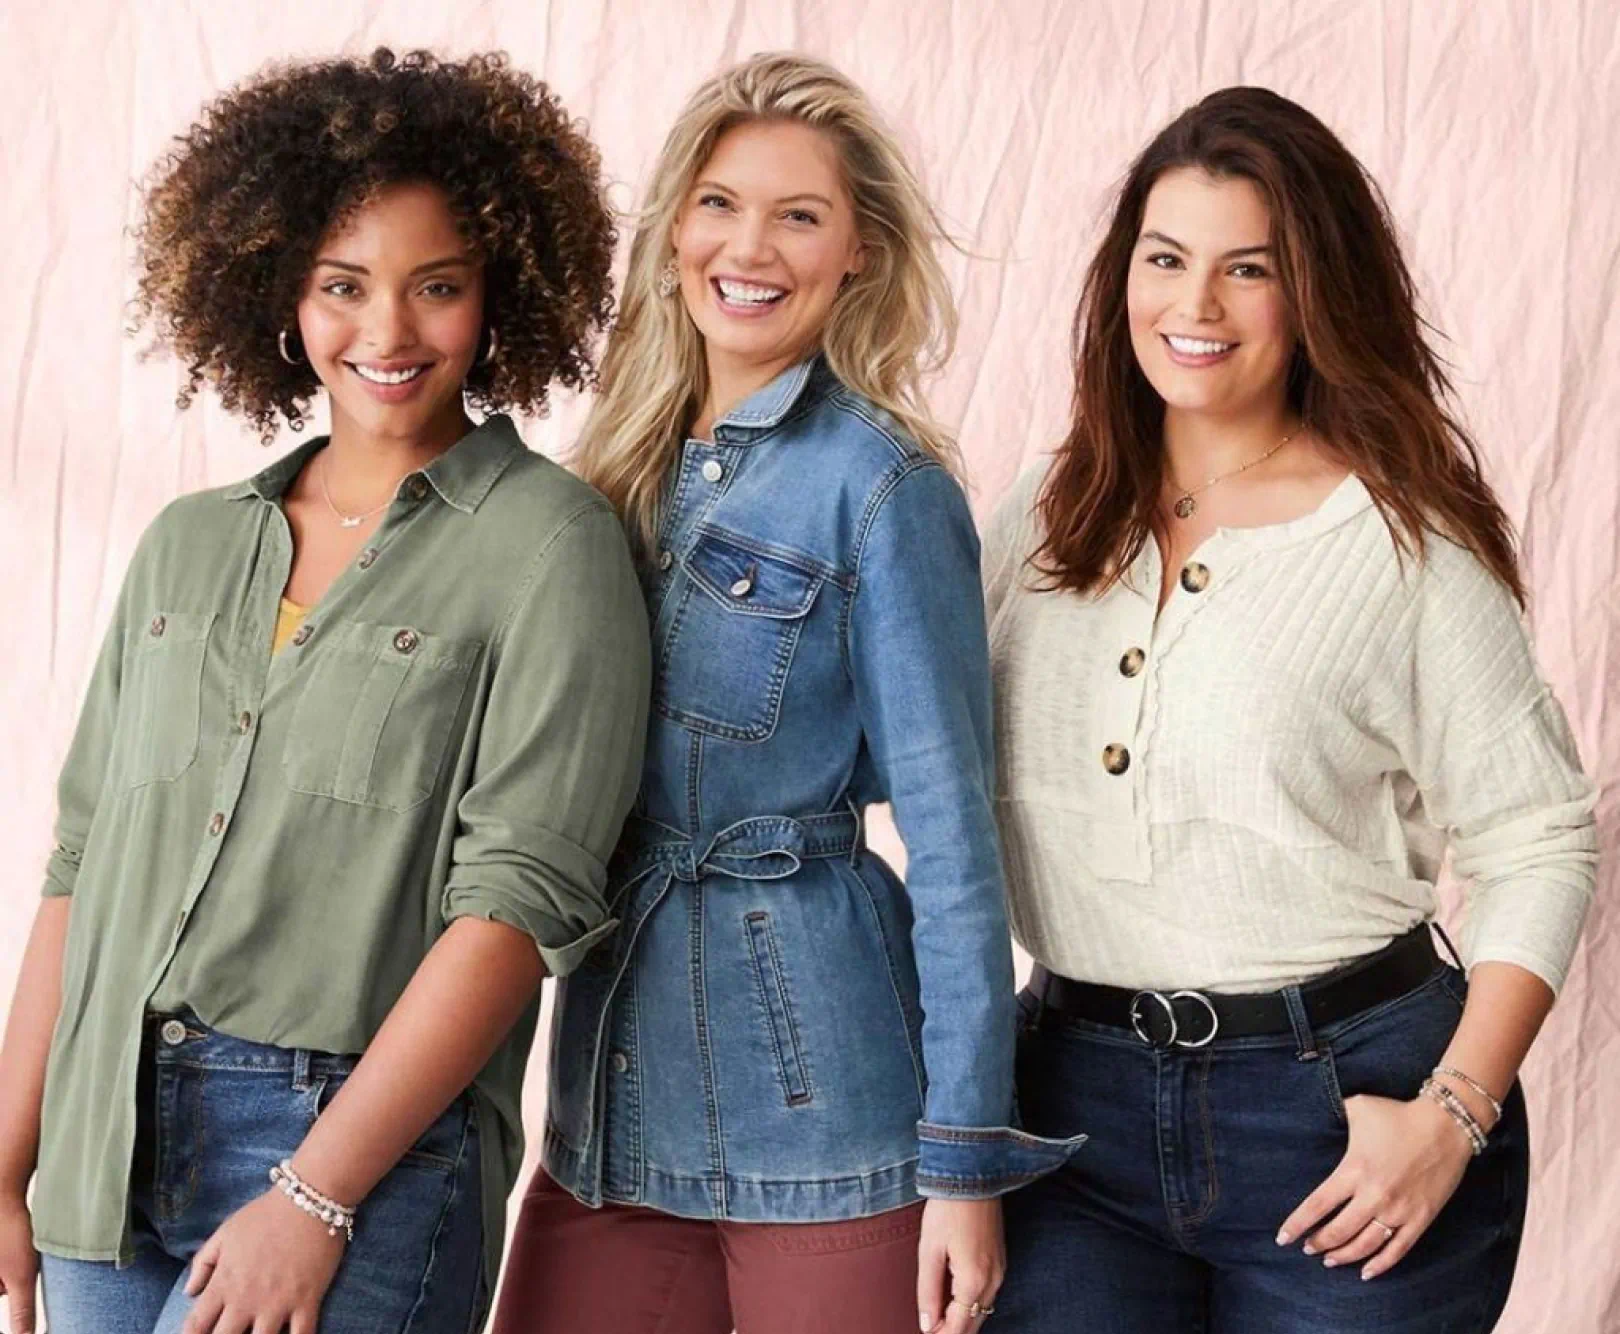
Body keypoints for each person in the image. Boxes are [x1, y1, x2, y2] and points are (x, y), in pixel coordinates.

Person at [0, 47, 649, 1334]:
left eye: (438, 287)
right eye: (343, 287)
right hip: (100, 1142)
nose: (389, 333)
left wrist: (316, 1192)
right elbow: (82, 860)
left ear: (500, 295)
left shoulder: (550, 545)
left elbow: (518, 906)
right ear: (280, 294)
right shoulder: (189, 542)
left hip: (354, 1151)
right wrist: (6, 1154)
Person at [984, 86, 1598, 1333]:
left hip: (1343, 1112)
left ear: (1312, 292)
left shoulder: (1398, 547)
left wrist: (1454, 1111)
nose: (1193, 307)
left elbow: (1540, 834)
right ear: (1121, 278)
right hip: (1064, 1111)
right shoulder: (1043, 515)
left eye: (1246, 269)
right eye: (1165, 258)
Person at [492, 52, 1080, 1334]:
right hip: (610, 1095)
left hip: (829, 1099)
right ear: (673, 229)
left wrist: (966, 1158)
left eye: (798, 214)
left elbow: (955, 841)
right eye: (718, 201)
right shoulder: (610, 474)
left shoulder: (883, 488)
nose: (747, 245)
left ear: (859, 250)